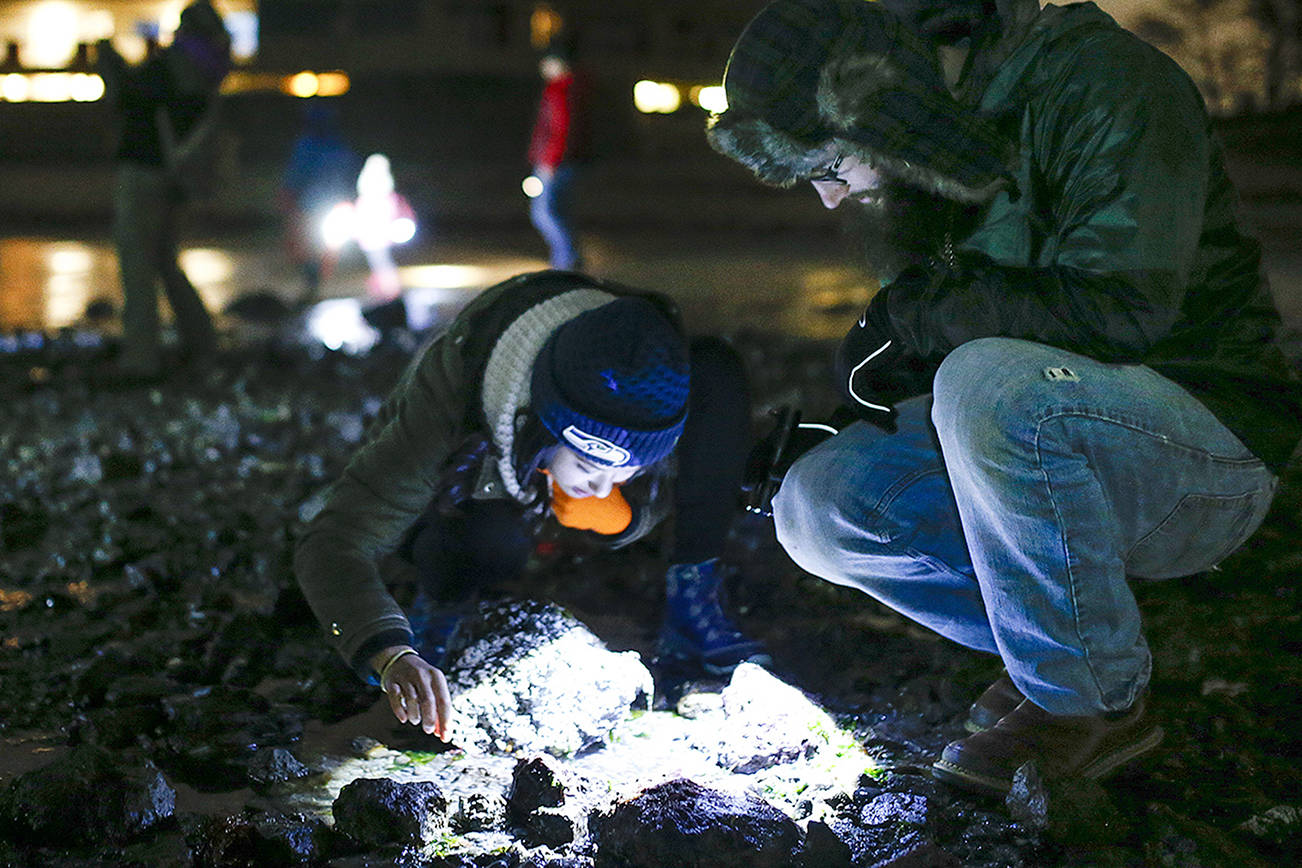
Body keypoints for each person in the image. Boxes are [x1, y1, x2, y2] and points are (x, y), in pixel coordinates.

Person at [706, 0, 1302, 796]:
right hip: (1056, 422)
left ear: (878, 108)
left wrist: (926, 317)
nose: (829, 199)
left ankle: (1088, 701)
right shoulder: (930, 155)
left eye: (827, 166)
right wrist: (857, 416)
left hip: (1205, 445)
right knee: (818, 501)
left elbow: (1119, 310)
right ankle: (1067, 650)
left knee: (985, 381)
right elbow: (967, 352)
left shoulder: (1107, 84)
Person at [294, 270, 766, 739]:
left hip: (537, 461)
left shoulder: (642, 367)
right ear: (543, 427)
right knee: (490, 537)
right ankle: (441, 601)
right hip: (469, 483)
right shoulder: (447, 397)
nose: (603, 488)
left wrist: (629, 513)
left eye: (623, 474)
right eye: (587, 467)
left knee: (716, 370)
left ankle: (693, 605)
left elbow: (645, 472)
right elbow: (331, 544)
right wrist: (391, 653)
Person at [95, 0, 231, 382]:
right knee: (166, 261)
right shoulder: (209, 70)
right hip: (178, 179)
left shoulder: (170, 67)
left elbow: (128, 99)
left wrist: (108, 60)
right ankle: (202, 342)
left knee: (137, 263)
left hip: (145, 173)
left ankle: (141, 357)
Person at [278, 101, 361, 304]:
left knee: (321, 247)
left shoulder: (332, 146)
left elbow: (349, 172)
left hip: (321, 206)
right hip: (314, 206)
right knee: (313, 247)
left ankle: (315, 285)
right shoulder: (311, 146)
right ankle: (313, 284)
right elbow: (296, 175)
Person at [527, 38, 591, 270]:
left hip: (556, 162)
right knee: (557, 211)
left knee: (544, 212)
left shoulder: (560, 90)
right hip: (565, 162)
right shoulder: (572, 89)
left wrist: (550, 162)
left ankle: (567, 258)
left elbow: (560, 130)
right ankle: (566, 258)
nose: (543, 67)